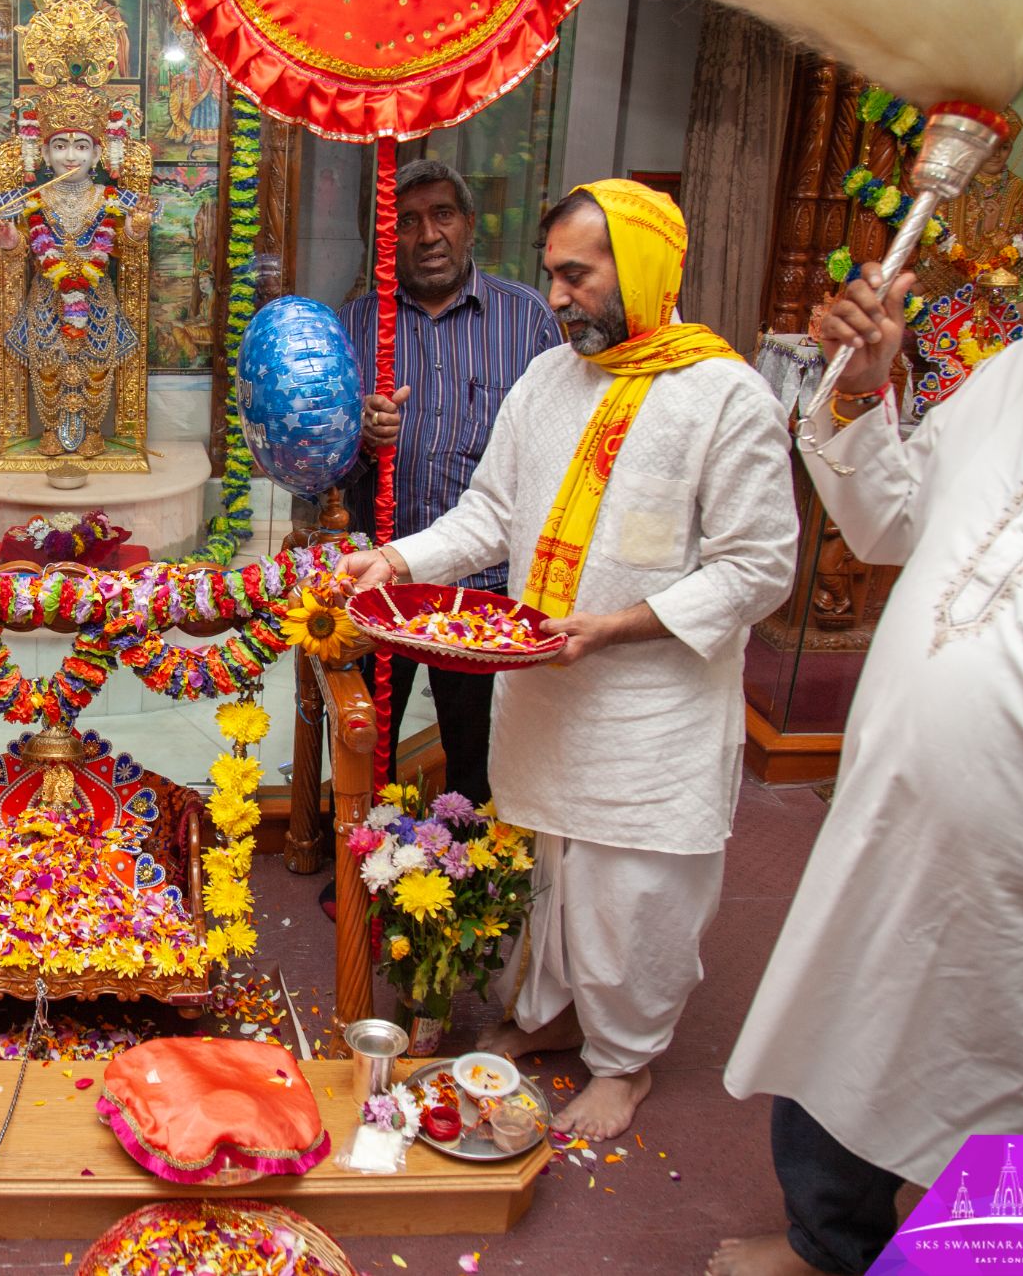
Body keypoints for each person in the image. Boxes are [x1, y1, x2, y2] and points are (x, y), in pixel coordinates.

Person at [708, 133, 1023, 1276]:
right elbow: (887, 521)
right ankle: (824, 1244)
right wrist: (867, 387)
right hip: (890, 827)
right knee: (844, 1023)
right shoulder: (1022, 368)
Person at [339, 179, 797, 1141]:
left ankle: (624, 1062)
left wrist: (617, 626)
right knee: (551, 872)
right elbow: (491, 513)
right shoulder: (548, 381)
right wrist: (397, 557)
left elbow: (759, 568)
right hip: (548, 691)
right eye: (550, 276)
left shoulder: (723, 396)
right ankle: (545, 1016)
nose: (554, 297)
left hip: (650, 707)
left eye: (577, 276)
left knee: (635, 889)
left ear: (645, 269)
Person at [338, 158, 563, 807]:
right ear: (388, 238)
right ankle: (360, 881)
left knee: (480, 762)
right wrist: (362, 437)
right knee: (361, 746)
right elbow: (316, 473)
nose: (427, 234)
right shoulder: (355, 326)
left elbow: (551, 457)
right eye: (407, 221)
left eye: (442, 215)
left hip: (483, 588)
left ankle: (460, 894)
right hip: (381, 585)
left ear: (470, 226)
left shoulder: (528, 322)